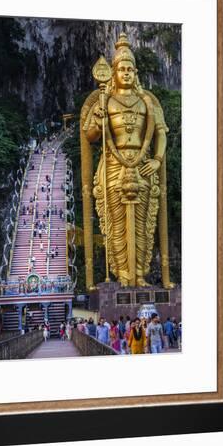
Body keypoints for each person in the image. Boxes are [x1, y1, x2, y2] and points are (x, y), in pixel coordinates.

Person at [81, 33, 174, 289]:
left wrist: (156, 159)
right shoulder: (105, 100)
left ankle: (141, 274)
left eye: (130, 69)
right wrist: (98, 119)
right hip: (114, 165)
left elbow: (161, 133)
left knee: (143, 223)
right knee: (117, 222)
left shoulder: (147, 102)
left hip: (143, 164)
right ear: (113, 72)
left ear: (136, 72)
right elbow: (89, 135)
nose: (125, 73)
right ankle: (122, 273)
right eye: (121, 69)